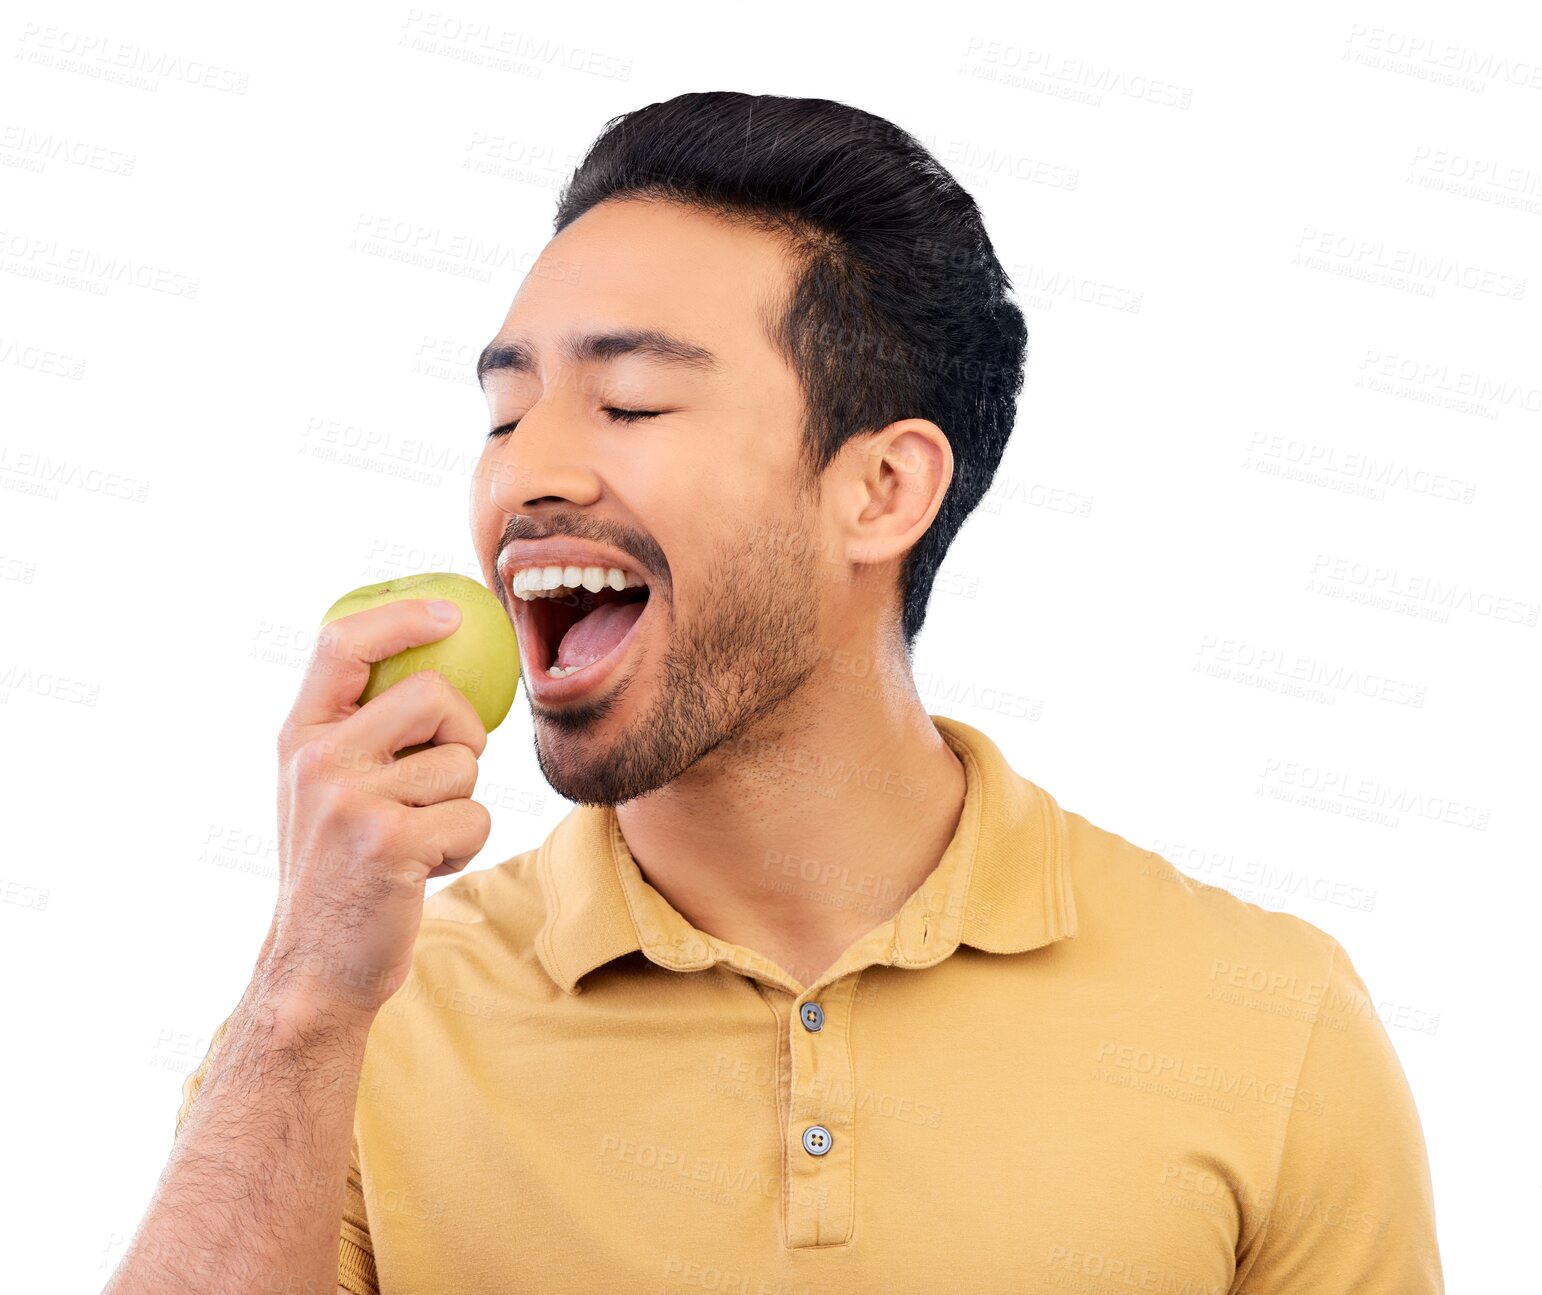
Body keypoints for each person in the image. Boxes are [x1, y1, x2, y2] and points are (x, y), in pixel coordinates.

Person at [105, 92, 1443, 1294]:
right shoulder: (356, 1025)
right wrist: (302, 1001)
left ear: (879, 491)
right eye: (505, 417)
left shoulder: (1265, 1016)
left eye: (627, 401)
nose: (525, 477)